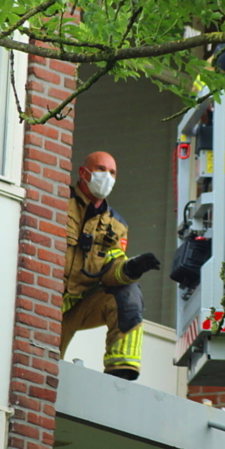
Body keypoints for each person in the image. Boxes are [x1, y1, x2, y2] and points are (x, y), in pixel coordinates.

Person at [59, 151, 160, 380]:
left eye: (112, 172)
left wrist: (131, 268)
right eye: (101, 170)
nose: (107, 177)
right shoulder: (58, 201)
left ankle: (121, 370)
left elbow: (110, 271)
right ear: (83, 173)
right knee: (39, 369)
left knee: (129, 292)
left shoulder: (117, 225)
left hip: (76, 308)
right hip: (44, 300)